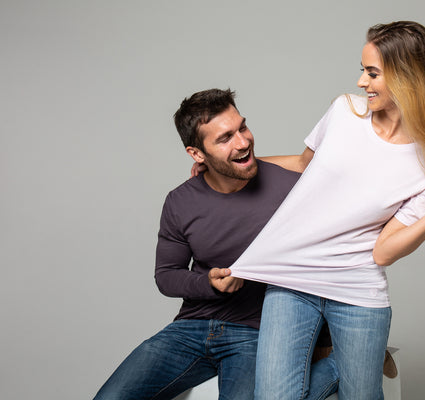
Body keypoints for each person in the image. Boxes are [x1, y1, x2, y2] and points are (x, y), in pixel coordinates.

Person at [218, 21, 425, 399]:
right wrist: (232, 167)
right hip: (294, 275)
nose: (362, 82)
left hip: (357, 290)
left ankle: (365, 362)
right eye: (362, 70)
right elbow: (304, 164)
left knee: (361, 396)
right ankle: (365, 360)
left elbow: (383, 251)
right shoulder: (344, 111)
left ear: (408, 78)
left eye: (372, 73)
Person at [93, 89, 338, 400]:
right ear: (197, 154)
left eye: (242, 128)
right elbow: (166, 275)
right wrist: (208, 283)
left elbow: (328, 261)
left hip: (256, 334)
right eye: (225, 138)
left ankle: (340, 366)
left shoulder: (291, 189)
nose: (243, 141)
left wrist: (326, 341)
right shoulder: (180, 201)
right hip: (189, 330)